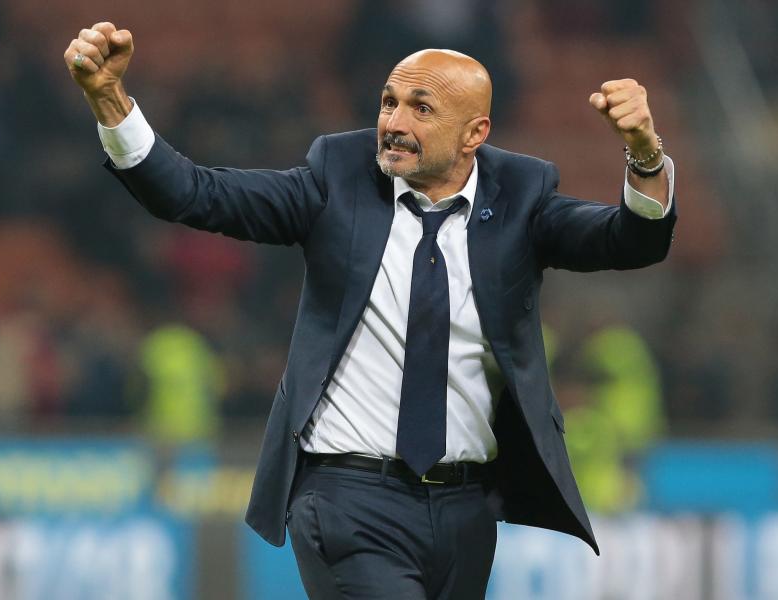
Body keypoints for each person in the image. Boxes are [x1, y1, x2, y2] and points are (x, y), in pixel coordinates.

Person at [64, 21, 677, 600]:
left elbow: (631, 241)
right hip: (347, 497)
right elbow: (193, 193)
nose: (394, 123)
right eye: (389, 102)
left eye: (421, 109)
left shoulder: (520, 198)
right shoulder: (336, 180)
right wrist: (111, 101)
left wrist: (645, 157)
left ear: (475, 134)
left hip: (466, 510)